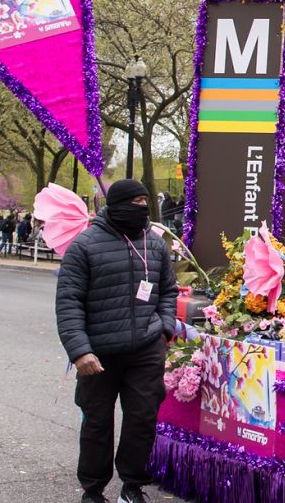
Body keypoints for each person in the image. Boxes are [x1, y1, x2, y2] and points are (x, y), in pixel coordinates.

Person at [55, 179, 176, 503]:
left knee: (142, 419)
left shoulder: (155, 245)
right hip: (99, 353)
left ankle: (132, 486)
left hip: (146, 349)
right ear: (118, 204)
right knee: (97, 423)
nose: (143, 208)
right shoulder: (84, 246)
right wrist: (80, 351)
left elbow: (168, 291)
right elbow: (69, 302)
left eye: (145, 202)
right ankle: (93, 490)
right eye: (136, 202)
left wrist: (163, 329)